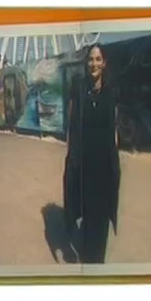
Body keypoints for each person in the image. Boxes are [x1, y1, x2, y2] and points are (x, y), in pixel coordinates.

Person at [62, 43, 121, 264]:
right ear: (86, 63)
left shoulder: (111, 92)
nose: (94, 64)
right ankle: (88, 258)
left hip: (104, 165)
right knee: (87, 215)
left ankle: (99, 260)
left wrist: (115, 162)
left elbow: (114, 128)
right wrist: (71, 158)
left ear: (104, 63)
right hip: (84, 165)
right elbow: (71, 126)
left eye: (98, 59)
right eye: (90, 59)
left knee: (102, 216)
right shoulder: (78, 90)